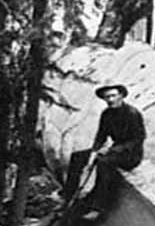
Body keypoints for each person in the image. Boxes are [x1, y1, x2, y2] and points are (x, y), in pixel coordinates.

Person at [62, 83, 145, 218]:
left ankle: (98, 208)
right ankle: (68, 197)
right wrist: (94, 151)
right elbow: (101, 135)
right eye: (107, 97)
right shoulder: (106, 114)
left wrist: (115, 150)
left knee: (104, 162)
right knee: (77, 157)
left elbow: (138, 139)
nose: (110, 99)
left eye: (113, 96)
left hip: (131, 154)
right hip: (114, 150)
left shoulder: (132, 113)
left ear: (121, 96)